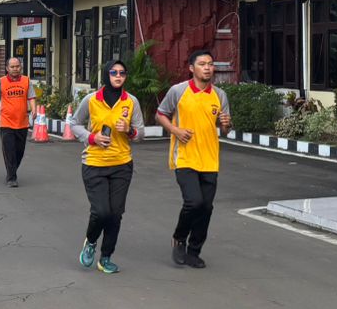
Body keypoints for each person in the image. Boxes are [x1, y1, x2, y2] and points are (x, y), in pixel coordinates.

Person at [156, 49, 231, 269]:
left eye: (210, 64)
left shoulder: (220, 95)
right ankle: (179, 238)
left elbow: (225, 129)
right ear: (191, 68)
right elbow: (160, 114)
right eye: (202, 64)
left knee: (206, 207)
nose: (207, 68)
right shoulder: (178, 91)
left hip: (210, 159)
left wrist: (226, 124)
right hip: (185, 157)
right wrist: (175, 130)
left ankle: (194, 251)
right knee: (194, 202)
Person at [69, 61, 144, 275]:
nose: (118, 76)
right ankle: (91, 241)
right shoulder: (91, 100)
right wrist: (92, 138)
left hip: (122, 164)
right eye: (114, 72)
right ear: (106, 75)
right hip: (94, 164)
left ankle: (106, 257)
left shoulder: (131, 101)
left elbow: (140, 134)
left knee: (115, 214)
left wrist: (129, 130)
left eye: (122, 73)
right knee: (101, 211)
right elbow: (74, 124)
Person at [0, 57, 32, 187]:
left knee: (19, 151)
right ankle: (11, 177)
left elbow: (31, 97)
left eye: (17, 66)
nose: (15, 69)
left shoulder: (26, 81)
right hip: (6, 122)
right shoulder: (0, 82)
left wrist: (34, 109)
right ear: (7, 68)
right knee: (9, 150)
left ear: (21, 67)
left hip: (22, 122)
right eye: (12, 67)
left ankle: (12, 170)